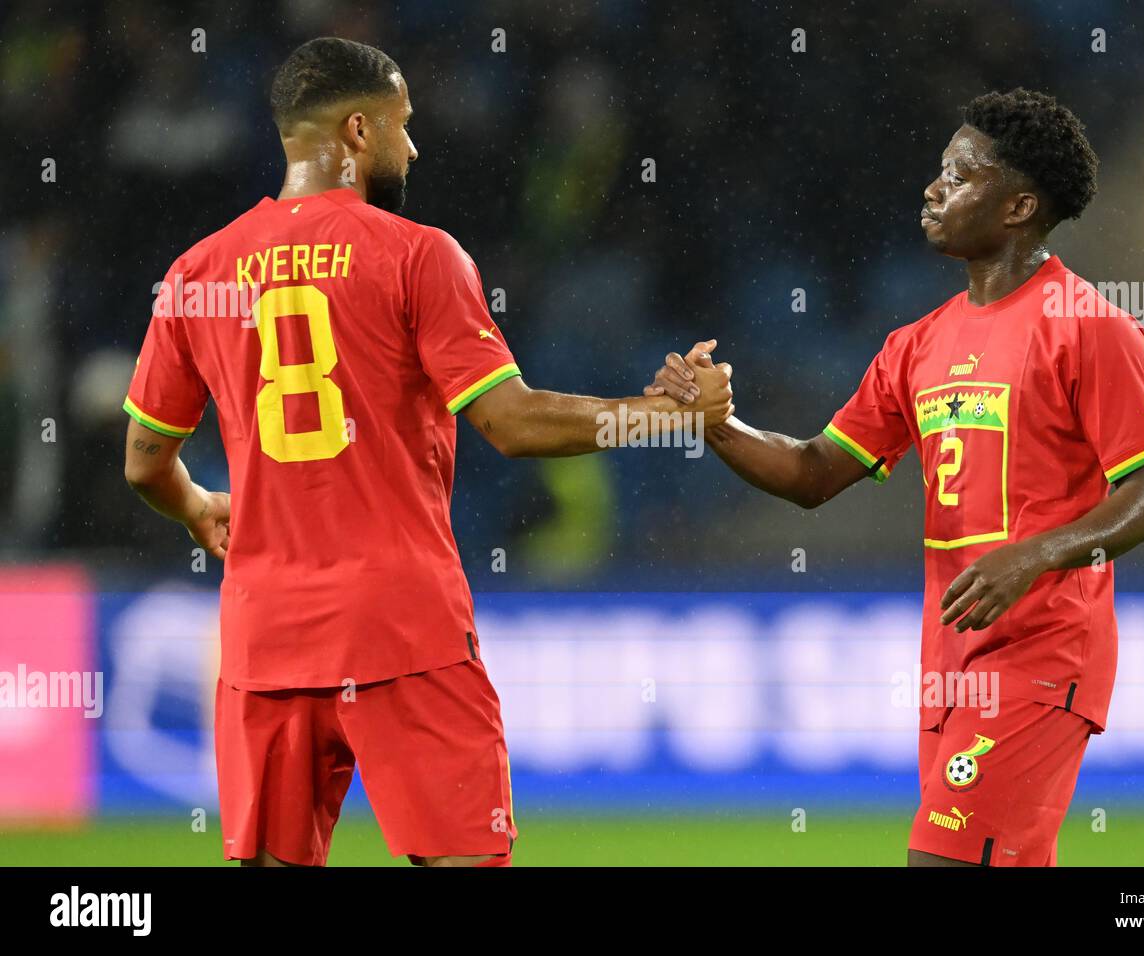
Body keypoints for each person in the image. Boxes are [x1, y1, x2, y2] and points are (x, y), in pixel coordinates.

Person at [122, 37, 731, 868]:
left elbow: (143, 460)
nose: (415, 147)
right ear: (360, 131)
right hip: (401, 629)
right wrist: (667, 417)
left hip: (265, 638)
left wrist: (196, 507)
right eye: (406, 128)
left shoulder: (196, 273)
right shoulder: (416, 254)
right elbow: (511, 424)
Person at [648, 88, 1144, 867]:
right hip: (951, 662)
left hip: (1041, 655)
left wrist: (1033, 555)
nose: (934, 188)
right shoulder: (917, 346)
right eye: (940, 169)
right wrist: (716, 424)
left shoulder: (1089, 325)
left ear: (1020, 205)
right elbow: (813, 472)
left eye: (962, 174)